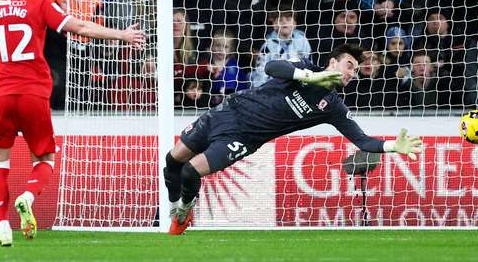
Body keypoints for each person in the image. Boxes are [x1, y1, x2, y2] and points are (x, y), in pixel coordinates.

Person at [163, 44, 423, 234]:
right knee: (172, 160)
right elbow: (272, 67)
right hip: (225, 113)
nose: (351, 73)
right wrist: (312, 76)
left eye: (355, 70)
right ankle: (173, 209)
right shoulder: (305, 69)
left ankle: (184, 211)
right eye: (349, 66)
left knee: (190, 172)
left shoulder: (332, 107)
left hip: (244, 137)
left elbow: (363, 141)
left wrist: (392, 146)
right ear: (333, 63)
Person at [0, 0, 145, 246]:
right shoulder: (40, 4)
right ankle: (28, 196)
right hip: (33, 93)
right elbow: (80, 28)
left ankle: (3, 227)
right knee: (45, 158)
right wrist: (122, 34)